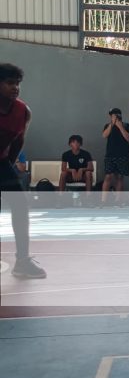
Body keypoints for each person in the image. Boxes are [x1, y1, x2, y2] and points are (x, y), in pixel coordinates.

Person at [0, 63, 46, 278]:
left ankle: (22, 261)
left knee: (20, 203)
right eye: (10, 83)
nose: (15, 87)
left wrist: (7, 164)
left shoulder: (22, 111)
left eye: (17, 84)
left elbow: (18, 141)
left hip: (2, 163)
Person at [101, 107, 129, 206]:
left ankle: (118, 201)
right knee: (108, 176)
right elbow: (104, 135)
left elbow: (128, 138)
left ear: (119, 116)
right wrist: (112, 124)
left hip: (123, 155)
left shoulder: (126, 125)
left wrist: (120, 126)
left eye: (115, 115)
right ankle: (103, 201)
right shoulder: (107, 125)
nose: (113, 117)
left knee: (120, 177)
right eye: (112, 115)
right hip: (110, 155)